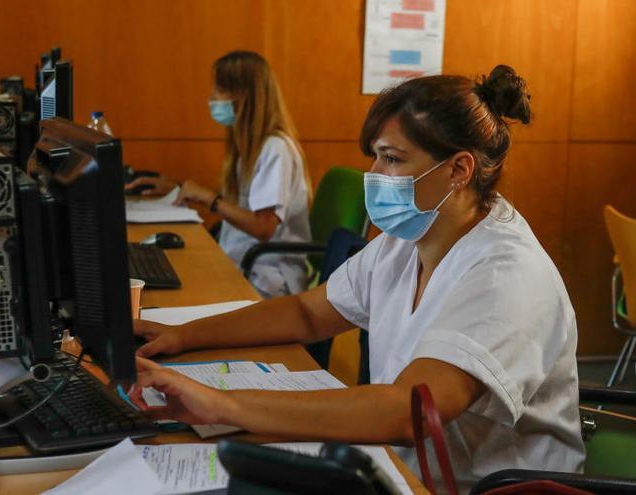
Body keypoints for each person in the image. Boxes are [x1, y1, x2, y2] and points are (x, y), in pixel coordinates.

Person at [130, 66, 586, 492]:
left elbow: (410, 410)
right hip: (397, 465)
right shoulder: (408, 240)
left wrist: (223, 405)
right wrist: (181, 336)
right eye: (375, 157)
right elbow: (307, 313)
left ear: (458, 170)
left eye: (391, 158)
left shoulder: (506, 275)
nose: (373, 174)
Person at [126, 51, 312, 298]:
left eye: (219, 90)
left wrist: (209, 199)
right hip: (243, 262)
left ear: (243, 95)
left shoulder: (275, 149)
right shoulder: (249, 145)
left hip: (267, 277)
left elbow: (263, 228)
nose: (212, 98)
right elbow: (244, 203)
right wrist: (177, 186)